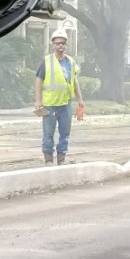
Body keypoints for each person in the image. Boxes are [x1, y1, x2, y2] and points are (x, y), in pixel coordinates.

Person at [34, 31, 85, 164]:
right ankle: (48, 159)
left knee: (65, 132)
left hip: (65, 103)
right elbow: (39, 80)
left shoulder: (71, 62)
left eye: (62, 43)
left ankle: (61, 158)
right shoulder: (47, 61)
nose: (60, 46)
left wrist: (80, 100)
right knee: (48, 133)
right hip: (49, 104)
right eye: (57, 43)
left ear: (66, 45)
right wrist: (38, 100)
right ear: (53, 45)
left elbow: (74, 81)